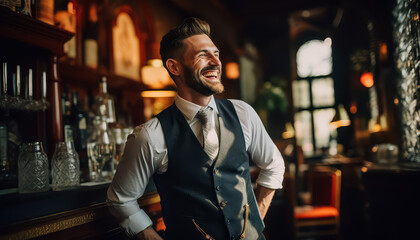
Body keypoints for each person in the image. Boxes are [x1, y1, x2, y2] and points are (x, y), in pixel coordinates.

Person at [107, 17, 285, 240]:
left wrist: (255, 219)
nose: (215, 62)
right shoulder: (149, 135)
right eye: (203, 55)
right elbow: (120, 199)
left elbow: (274, 165)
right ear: (174, 66)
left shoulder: (243, 113)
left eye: (216, 54)